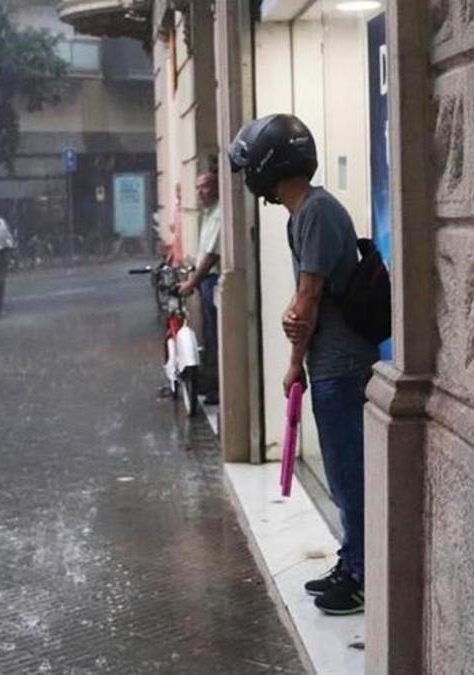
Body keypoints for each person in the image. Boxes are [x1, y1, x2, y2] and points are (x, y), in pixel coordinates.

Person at [229, 114, 378, 616]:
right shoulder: (308, 212)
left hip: (339, 365)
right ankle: (352, 558)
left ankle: (361, 576)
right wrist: (296, 321)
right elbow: (303, 300)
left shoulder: (314, 212)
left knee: (347, 473)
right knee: (341, 472)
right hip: (332, 361)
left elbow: (308, 296)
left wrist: (294, 361)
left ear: (266, 166)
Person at [178, 169, 222, 404]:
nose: (200, 192)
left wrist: (192, 282)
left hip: (211, 281)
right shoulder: (208, 214)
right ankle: (210, 382)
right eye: (197, 188)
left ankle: (217, 386)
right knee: (208, 333)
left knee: (215, 336)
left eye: (205, 186)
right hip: (205, 281)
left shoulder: (219, 214)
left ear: (217, 187)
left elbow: (212, 255)